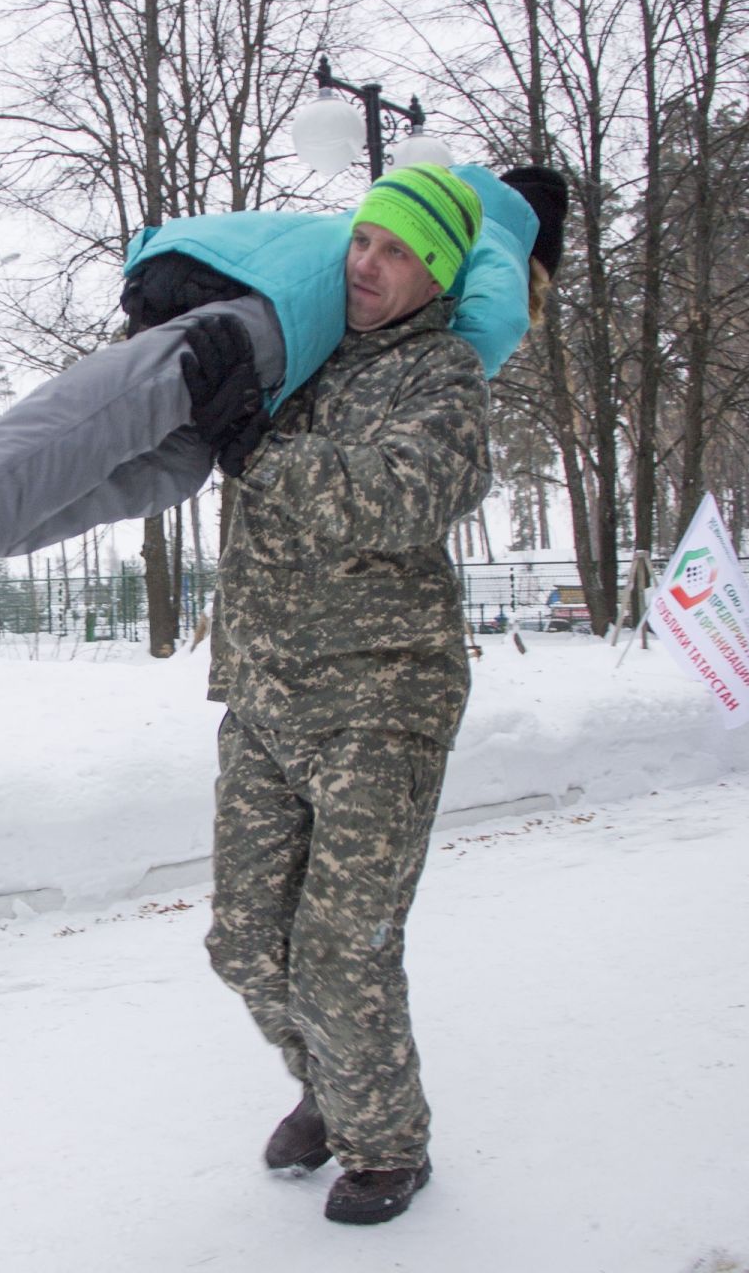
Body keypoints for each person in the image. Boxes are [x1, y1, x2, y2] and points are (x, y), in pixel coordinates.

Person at [0, 163, 566, 650]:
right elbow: (482, 337)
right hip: (295, 309)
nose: (371, 259)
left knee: (177, 464)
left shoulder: (455, 197)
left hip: (295, 336)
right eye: (371, 244)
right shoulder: (497, 240)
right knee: (162, 380)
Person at [205, 168, 493, 1225]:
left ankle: (386, 1142)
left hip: (382, 697)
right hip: (266, 693)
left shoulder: (446, 378)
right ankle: (332, 1082)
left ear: (437, 274)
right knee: (242, 936)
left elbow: (396, 497)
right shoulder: (301, 351)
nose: (368, 263)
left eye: (399, 251)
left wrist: (262, 449)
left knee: (339, 943)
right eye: (363, 240)